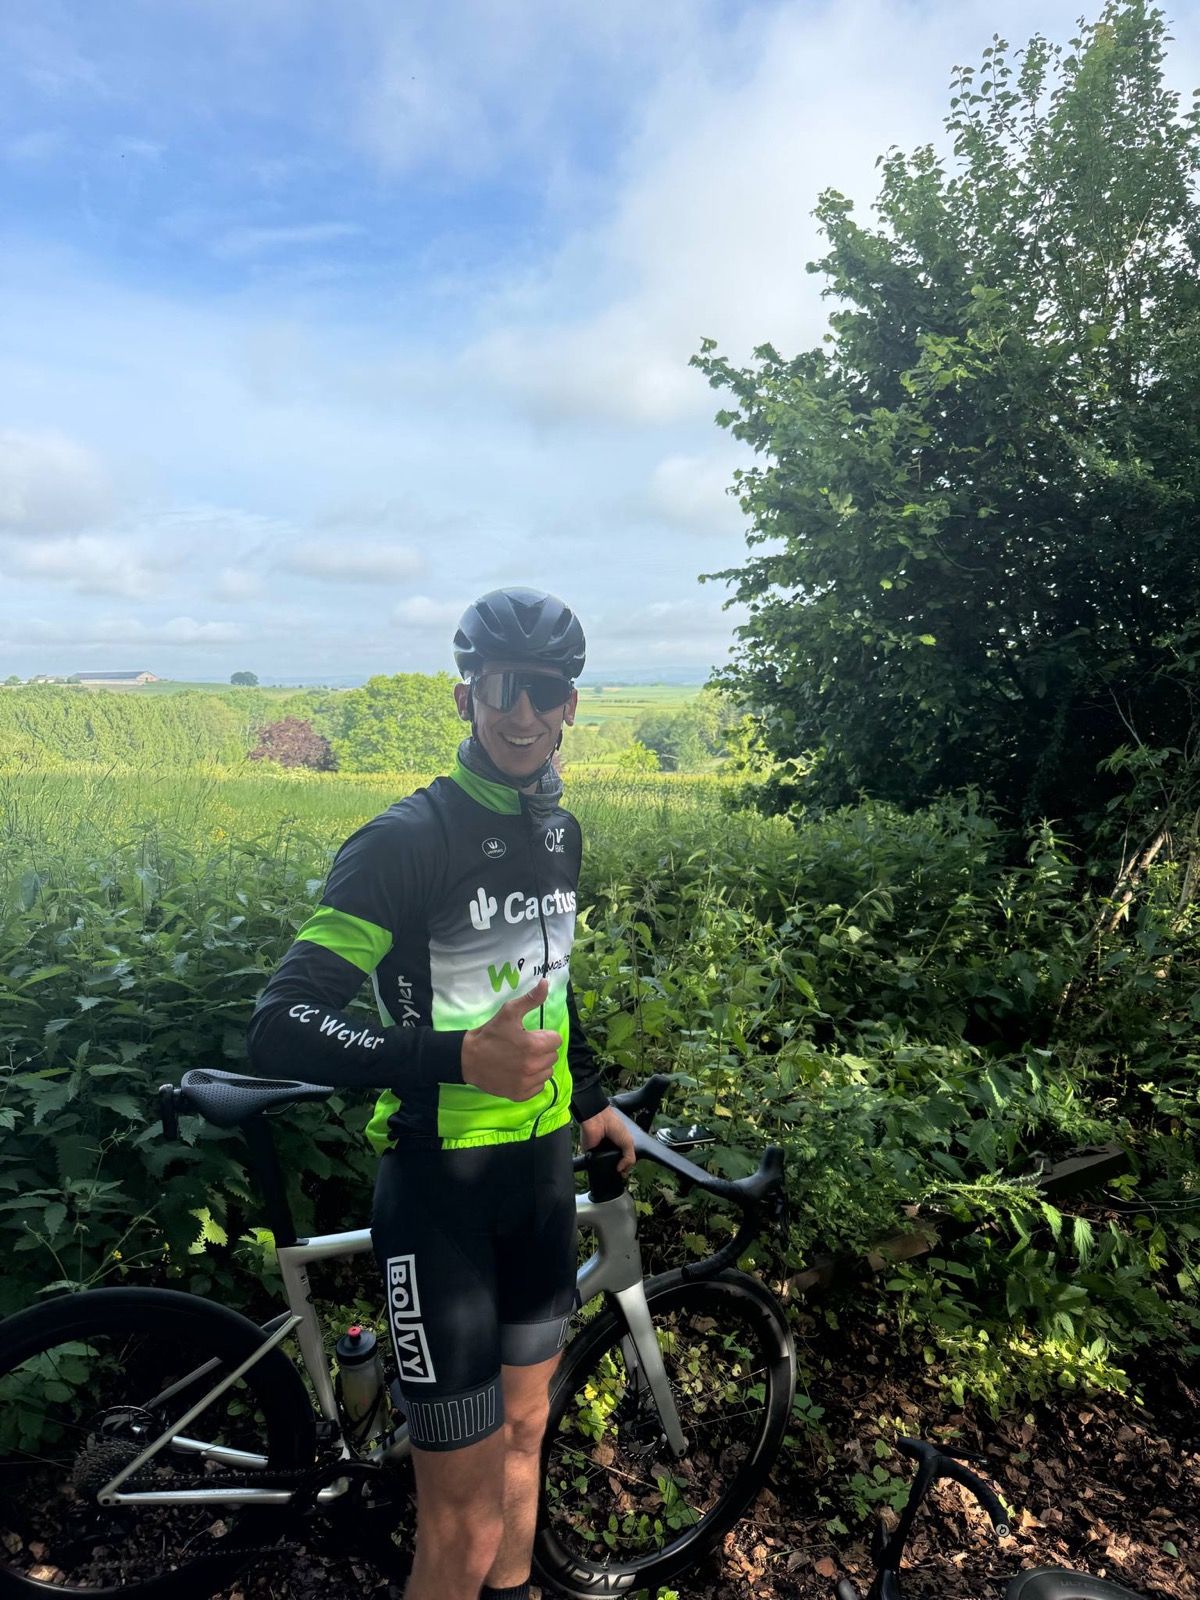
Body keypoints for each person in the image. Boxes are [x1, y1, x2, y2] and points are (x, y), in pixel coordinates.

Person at [247, 586, 635, 1600]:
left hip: (542, 1178)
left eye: (543, 690)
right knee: (458, 1530)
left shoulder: (560, 831)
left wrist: (589, 1097)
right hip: (440, 1200)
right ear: (466, 695)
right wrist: (454, 1058)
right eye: (502, 688)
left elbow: (551, 983)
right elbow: (283, 1019)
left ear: (570, 706)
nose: (521, 712)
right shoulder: (407, 840)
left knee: (526, 1440)